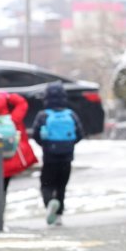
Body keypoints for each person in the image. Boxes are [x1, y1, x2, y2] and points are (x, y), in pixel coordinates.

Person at [32, 82, 84, 226]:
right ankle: (59, 216)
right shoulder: (71, 114)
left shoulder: (43, 115)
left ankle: (49, 203)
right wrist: (68, 145)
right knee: (61, 186)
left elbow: (36, 135)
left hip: (49, 157)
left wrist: (46, 145)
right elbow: (80, 134)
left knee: (46, 184)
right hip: (67, 157)